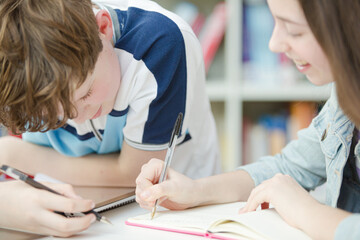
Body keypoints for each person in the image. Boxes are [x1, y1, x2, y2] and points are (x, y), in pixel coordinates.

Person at [135, 0, 360, 239]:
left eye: (294, 30)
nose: (274, 44)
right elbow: (288, 167)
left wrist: (305, 210)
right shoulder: (345, 94)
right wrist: (194, 190)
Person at [0, 0, 221, 236]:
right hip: (65, 210)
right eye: (55, 116)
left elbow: (135, 172)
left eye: (86, 93)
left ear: (103, 28)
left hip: (170, 213)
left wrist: (17, 155)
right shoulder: (16, 66)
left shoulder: (160, 42)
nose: (78, 117)